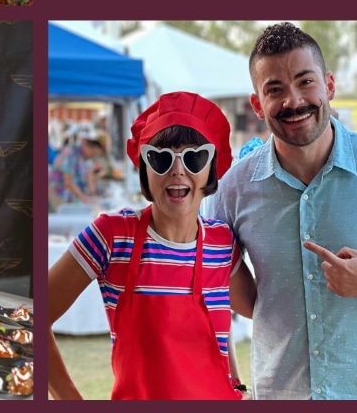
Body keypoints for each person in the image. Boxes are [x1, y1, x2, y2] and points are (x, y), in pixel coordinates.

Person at [208, 23, 357, 399]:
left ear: (329, 85)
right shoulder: (233, 188)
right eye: (275, 89)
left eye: (304, 81)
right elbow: (238, 298)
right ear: (258, 104)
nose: (293, 101)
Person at [49, 93, 252, 400]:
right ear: (144, 167)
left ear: (212, 168)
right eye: (161, 158)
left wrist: (237, 386)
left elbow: (252, 315)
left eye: (194, 157)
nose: (178, 170)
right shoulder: (112, 236)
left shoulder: (222, 242)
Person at [48, 125, 108, 207]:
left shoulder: (83, 157)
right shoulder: (71, 153)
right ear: (87, 146)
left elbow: (89, 176)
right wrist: (84, 198)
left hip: (71, 195)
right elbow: (68, 182)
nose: (93, 157)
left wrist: (93, 195)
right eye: (93, 153)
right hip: (59, 194)